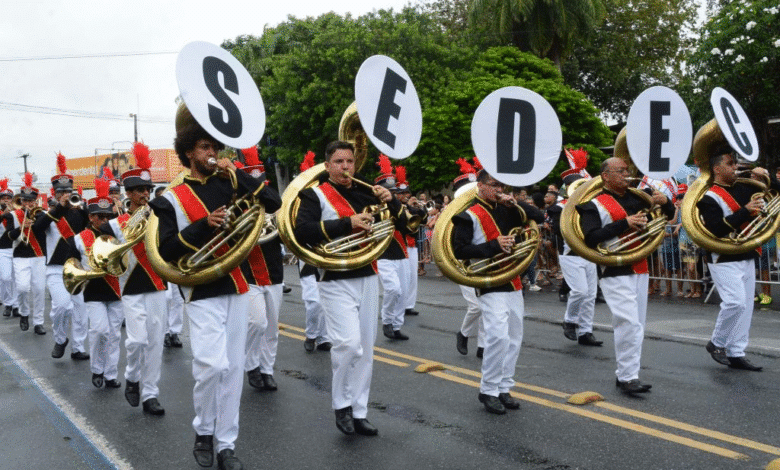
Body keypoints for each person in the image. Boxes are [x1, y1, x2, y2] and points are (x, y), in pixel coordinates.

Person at [149, 106, 279, 470]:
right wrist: (203, 225)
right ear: (189, 152)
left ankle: (226, 444)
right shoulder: (170, 198)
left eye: (215, 148)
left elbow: (274, 202)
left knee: (233, 370)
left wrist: (237, 171)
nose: (212, 153)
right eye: (205, 147)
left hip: (236, 283)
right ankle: (204, 430)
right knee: (210, 365)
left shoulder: (230, 182)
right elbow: (166, 250)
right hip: (201, 288)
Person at [294, 140, 416, 436]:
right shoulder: (314, 194)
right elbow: (302, 231)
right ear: (327, 166)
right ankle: (341, 405)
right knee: (348, 345)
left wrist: (392, 200)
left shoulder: (367, 192)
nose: (346, 167)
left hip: (368, 274)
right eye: (339, 162)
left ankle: (359, 410)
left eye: (349, 161)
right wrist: (347, 223)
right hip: (334, 277)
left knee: (366, 350)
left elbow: (408, 226)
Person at [576, 157, 674, 395]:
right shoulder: (593, 204)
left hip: (640, 266)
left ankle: (628, 374)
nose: (626, 174)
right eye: (620, 171)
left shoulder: (638, 198)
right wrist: (625, 223)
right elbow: (590, 238)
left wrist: (666, 202)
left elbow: (665, 217)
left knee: (637, 325)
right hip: (615, 268)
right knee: (628, 324)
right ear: (605, 176)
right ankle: (628, 377)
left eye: (626, 170)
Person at [452, 170, 544, 414]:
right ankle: (489, 390)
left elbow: (538, 217)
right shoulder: (468, 214)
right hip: (489, 280)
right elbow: (459, 250)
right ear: (481, 186)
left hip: (512, 279)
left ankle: (504, 387)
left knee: (514, 337)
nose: (499, 190)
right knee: (498, 337)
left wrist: (516, 203)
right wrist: (494, 245)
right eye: (494, 185)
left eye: (502, 185)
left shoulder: (508, 208)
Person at [102, 143, 167, 415]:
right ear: (128, 193)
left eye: (147, 190)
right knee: (137, 340)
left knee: (155, 343)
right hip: (130, 287)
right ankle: (131, 376)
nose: (145, 194)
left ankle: (150, 393)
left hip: (157, 285)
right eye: (139, 190)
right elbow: (102, 252)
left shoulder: (160, 218)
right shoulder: (114, 224)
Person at [697, 146, 776, 371]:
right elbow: (716, 229)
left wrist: (767, 176)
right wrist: (745, 211)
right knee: (735, 302)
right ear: (716, 168)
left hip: (746, 253)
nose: (735, 167)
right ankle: (717, 343)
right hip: (723, 256)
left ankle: (736, 352)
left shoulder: (746, 187)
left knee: (746, 307)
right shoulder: (709, 197)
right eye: (730, 164)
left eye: (735, 163)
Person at [69, 178, 124, 389]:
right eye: (100, 216)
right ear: (91, 217)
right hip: (93, 291)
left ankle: (110, 374)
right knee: (100, 330)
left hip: (116, 289)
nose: (104, 220)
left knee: (114, 334)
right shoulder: (79, 238)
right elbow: (72, 264)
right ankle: (97, 369)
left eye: (108, 216)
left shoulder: (118, 234)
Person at [32, 155, 90, 359]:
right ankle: (60, 339)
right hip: (56, 269)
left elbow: (91, 228)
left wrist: (83, 209)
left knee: (80, 309)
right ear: (54, 194)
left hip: (78, 266)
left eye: (68, 191)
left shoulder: (79, 212)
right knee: (62, 307)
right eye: (61, 192)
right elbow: (37, 229)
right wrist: (59, 208)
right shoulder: (48, 214)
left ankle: (78, 347)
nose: (65, 195)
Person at [237, 152, 285, 393]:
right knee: (256, 322)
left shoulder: (272, 201)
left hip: (274, 271)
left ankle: (267, 370)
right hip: (248, 272)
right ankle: (252, 366)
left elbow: (277, 207)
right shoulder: (237, 205)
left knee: (272, 328)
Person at [548, 172, 602, 347]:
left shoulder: (592, 205)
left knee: (590, 296)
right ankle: (570, 321)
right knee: (580, 291)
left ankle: (586, 332)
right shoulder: (560, 208)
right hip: (571, 255)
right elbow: (559, 230)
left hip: (589, 254)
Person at [2, 173, 47, 334]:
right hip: (20, 256)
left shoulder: (43, 215)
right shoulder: (13, 215)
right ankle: (24, 313)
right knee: (22, 288)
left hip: (39, 256)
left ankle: (38, 322)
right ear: (21, 201)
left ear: (36, 200)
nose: (28, 204)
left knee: (39, 290)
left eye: (31, 201)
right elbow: (9, 236)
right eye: (25, 201)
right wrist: (21, 228)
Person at [0, 179, 19, 318]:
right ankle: (8, 303)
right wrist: (3, 215)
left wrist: (12, 213)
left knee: (16, 279)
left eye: (8, 198)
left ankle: (16, 305)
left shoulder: (17, 212)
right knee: (6, 277)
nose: (6, 200)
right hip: (2, 249)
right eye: (3, 198)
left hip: (17, 248)